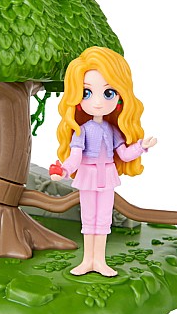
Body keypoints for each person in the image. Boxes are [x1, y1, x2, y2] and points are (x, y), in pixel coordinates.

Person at [51, 47, 157, 276]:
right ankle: (87, 260)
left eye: (108, 93)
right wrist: (64, 170)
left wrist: (141, 146)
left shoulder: (112, 129)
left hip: (107, 176)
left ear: (119, 96)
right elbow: (75, 157)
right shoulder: (81, 130)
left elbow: (124, 154)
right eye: (87, 93)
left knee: (103, 220)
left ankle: (99, 261)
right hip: (88, 175)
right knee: (88, 218)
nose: (97, 102)